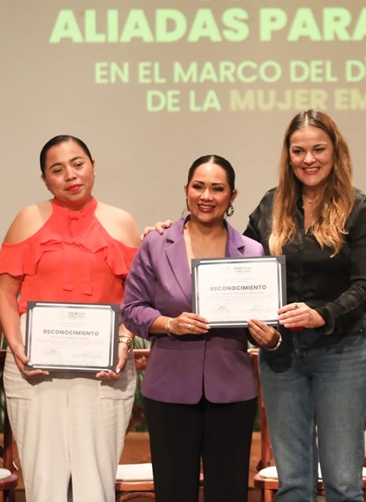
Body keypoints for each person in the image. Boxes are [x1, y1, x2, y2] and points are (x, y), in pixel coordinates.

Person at [121, 154, 278, 502]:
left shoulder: (251, 251)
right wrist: (169, 324)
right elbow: (131, 310)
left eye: (217, 189)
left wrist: (268, 336)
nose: (206, 196)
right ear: (186, 189)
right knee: (174, 492)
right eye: (199, 186)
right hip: (169, 390)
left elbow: (261, 319)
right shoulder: (156, 243)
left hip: (231, 391)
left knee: (229, 493)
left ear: (232, 196)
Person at [244, 110, 366, 502]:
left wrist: (321, 315)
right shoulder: (270, 206)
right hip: (281, 355)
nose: (309, 159)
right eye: (298, 151)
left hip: (343, 352)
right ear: (287, 155)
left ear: (335, 151)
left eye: (318, 149)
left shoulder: (359, 208)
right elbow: (238, 262)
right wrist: (180, 230)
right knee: (292, 485)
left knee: (342, 484)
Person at [0, 135, 140, 502]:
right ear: (45, 180)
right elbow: (4, 291)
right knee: (44, 476)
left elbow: (138, 298)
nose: (70, 175)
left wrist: (124, 342)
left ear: (93, 167)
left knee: (96, 475)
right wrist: (16, 346)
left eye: (78, 164)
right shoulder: (28, 218)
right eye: (57, 170)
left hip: (105, 362)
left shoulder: (122, 222)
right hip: (35, 361)